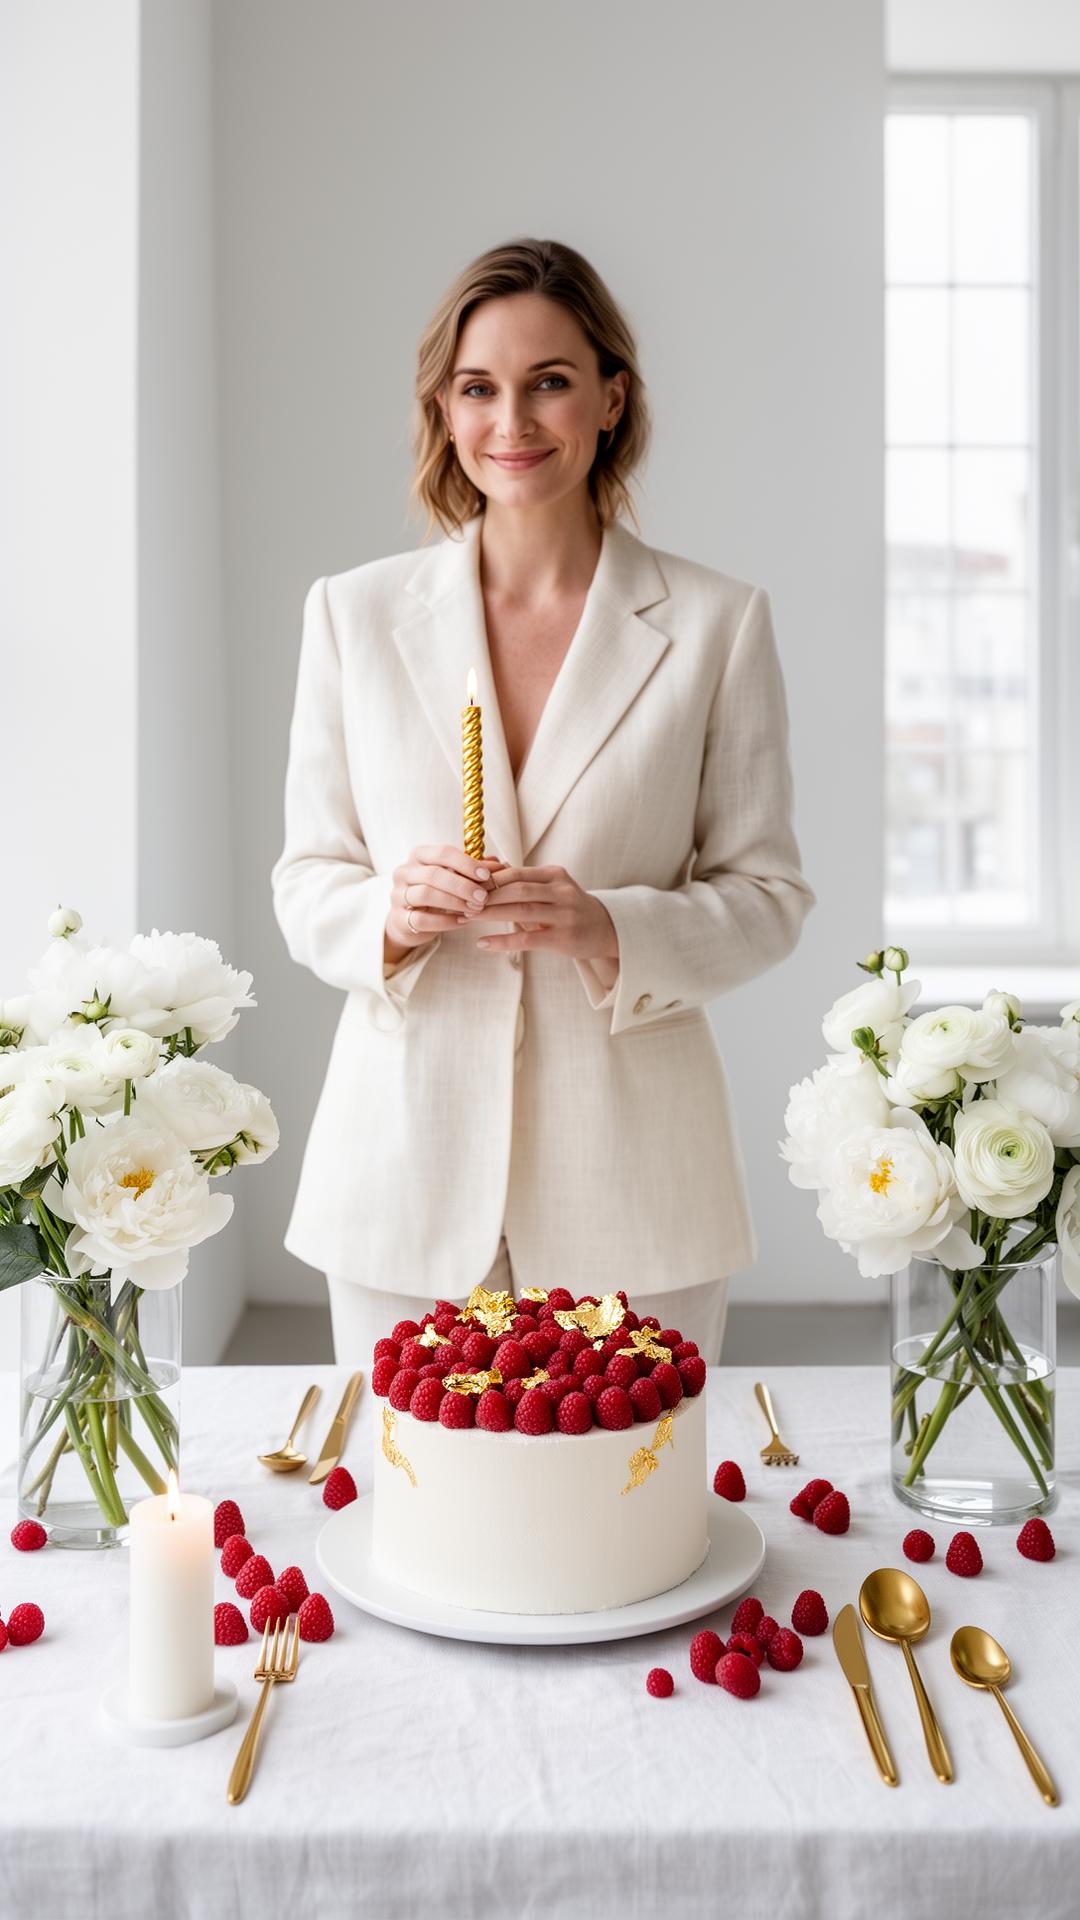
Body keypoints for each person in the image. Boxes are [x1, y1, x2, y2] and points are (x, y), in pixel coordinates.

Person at [270, 236, 816, 1370]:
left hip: (636, 1185)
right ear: (444, 407)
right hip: (404, 1179)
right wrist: (388, 914)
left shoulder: (717, 623)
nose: (511, 421)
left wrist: (610, 926)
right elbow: (308, 877)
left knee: (631, 1486)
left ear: (612, 398)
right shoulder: (354, 615)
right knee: (408, 1485)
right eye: (479, 387)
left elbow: (767, 896)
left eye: (549, 381)